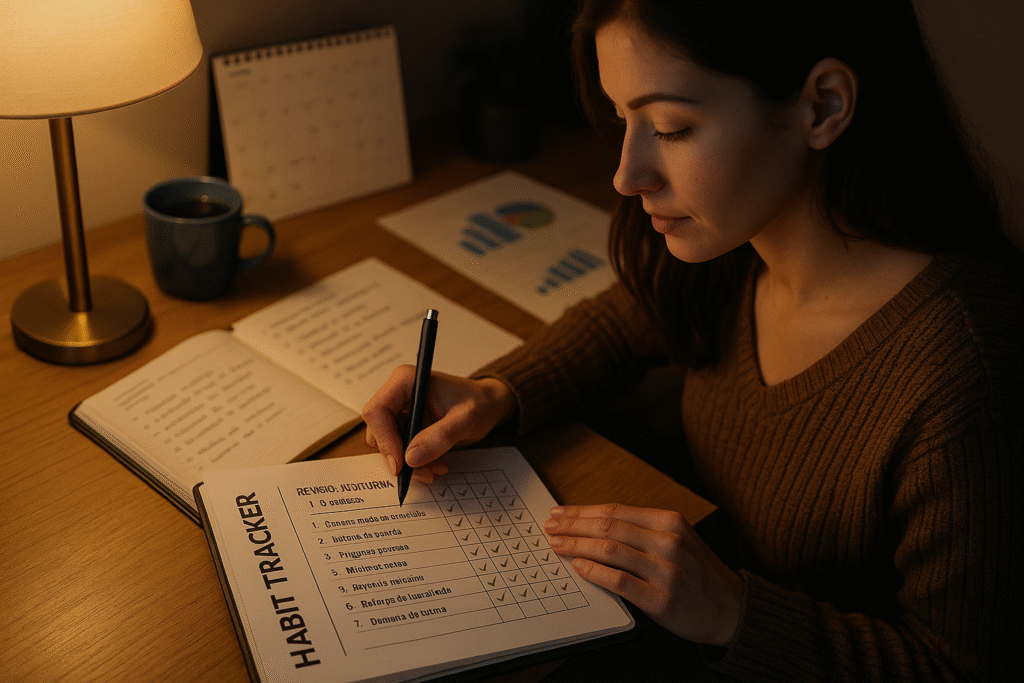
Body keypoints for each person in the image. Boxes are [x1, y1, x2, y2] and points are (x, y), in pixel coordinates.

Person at [362, 0, 1024, 680]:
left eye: (672, 128)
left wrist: (734, 611)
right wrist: (498, 392)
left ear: (822, 105)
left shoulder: (967, 377)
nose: (626, 174)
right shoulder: (740, 247)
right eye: (623, 121)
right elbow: (628, 318)